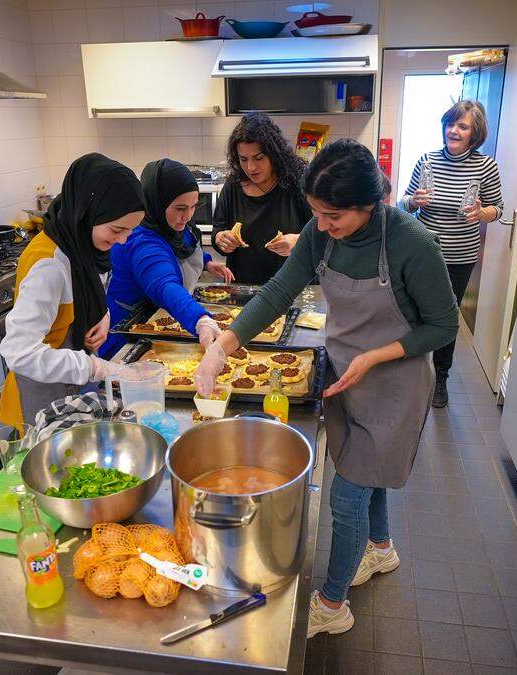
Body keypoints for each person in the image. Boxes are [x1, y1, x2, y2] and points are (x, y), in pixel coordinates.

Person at [194, 140, 458, 638]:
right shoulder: (322, 232)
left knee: (347, 495)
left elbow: (443, 327)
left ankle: (332, 605)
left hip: (393, 384)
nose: (322, 225)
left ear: (372, 204)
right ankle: (379, 549)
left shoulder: (412, 244)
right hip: (341, 373)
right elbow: (278, 291)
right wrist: (220, 347)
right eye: (316, 213)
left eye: (333, 216)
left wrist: (375, 356)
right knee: (366, 471)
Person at [0, 153, 145, 432]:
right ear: (87, 212)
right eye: (117, 229)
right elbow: (19, 352)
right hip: (41, 397)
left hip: (72, 388)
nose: (123, 240)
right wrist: (96, 368)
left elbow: (83, 294)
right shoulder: (50, 265)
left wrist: (104, 314)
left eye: (130, 231)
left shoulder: (82, 244)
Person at [399, 100, 504, 408]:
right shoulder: (427, 160)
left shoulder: (485, 166)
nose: (454, 131)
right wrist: (414, 201)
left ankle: (440, 378)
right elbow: (404, 203)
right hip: (422, 252)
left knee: (446, 317)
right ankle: (411, 372)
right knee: (413, 313)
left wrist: (482, 213)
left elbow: (497, 207)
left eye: (462, 126)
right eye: (451, 124)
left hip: (460, 256)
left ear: (475, 133)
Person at [101, 158, 234, 358]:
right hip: (128, 335)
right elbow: (164, 283)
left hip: (161, 318)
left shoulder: (172, 224)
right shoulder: (140, 239)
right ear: (156, 201)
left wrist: (207, 262)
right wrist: (200, 319)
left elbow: (184, 246)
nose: (188, 216)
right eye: (180, 208)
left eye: (193, 206)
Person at [211, 112, 312, 284]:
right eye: (243, 159)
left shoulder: (298, 181)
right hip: (245, 287)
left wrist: (297, 241)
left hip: (292, 287)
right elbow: (218, 231)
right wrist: (221, 238)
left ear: (274, 153)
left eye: (259, 158)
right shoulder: (234, 185)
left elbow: (322, 233)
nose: (251, 167)